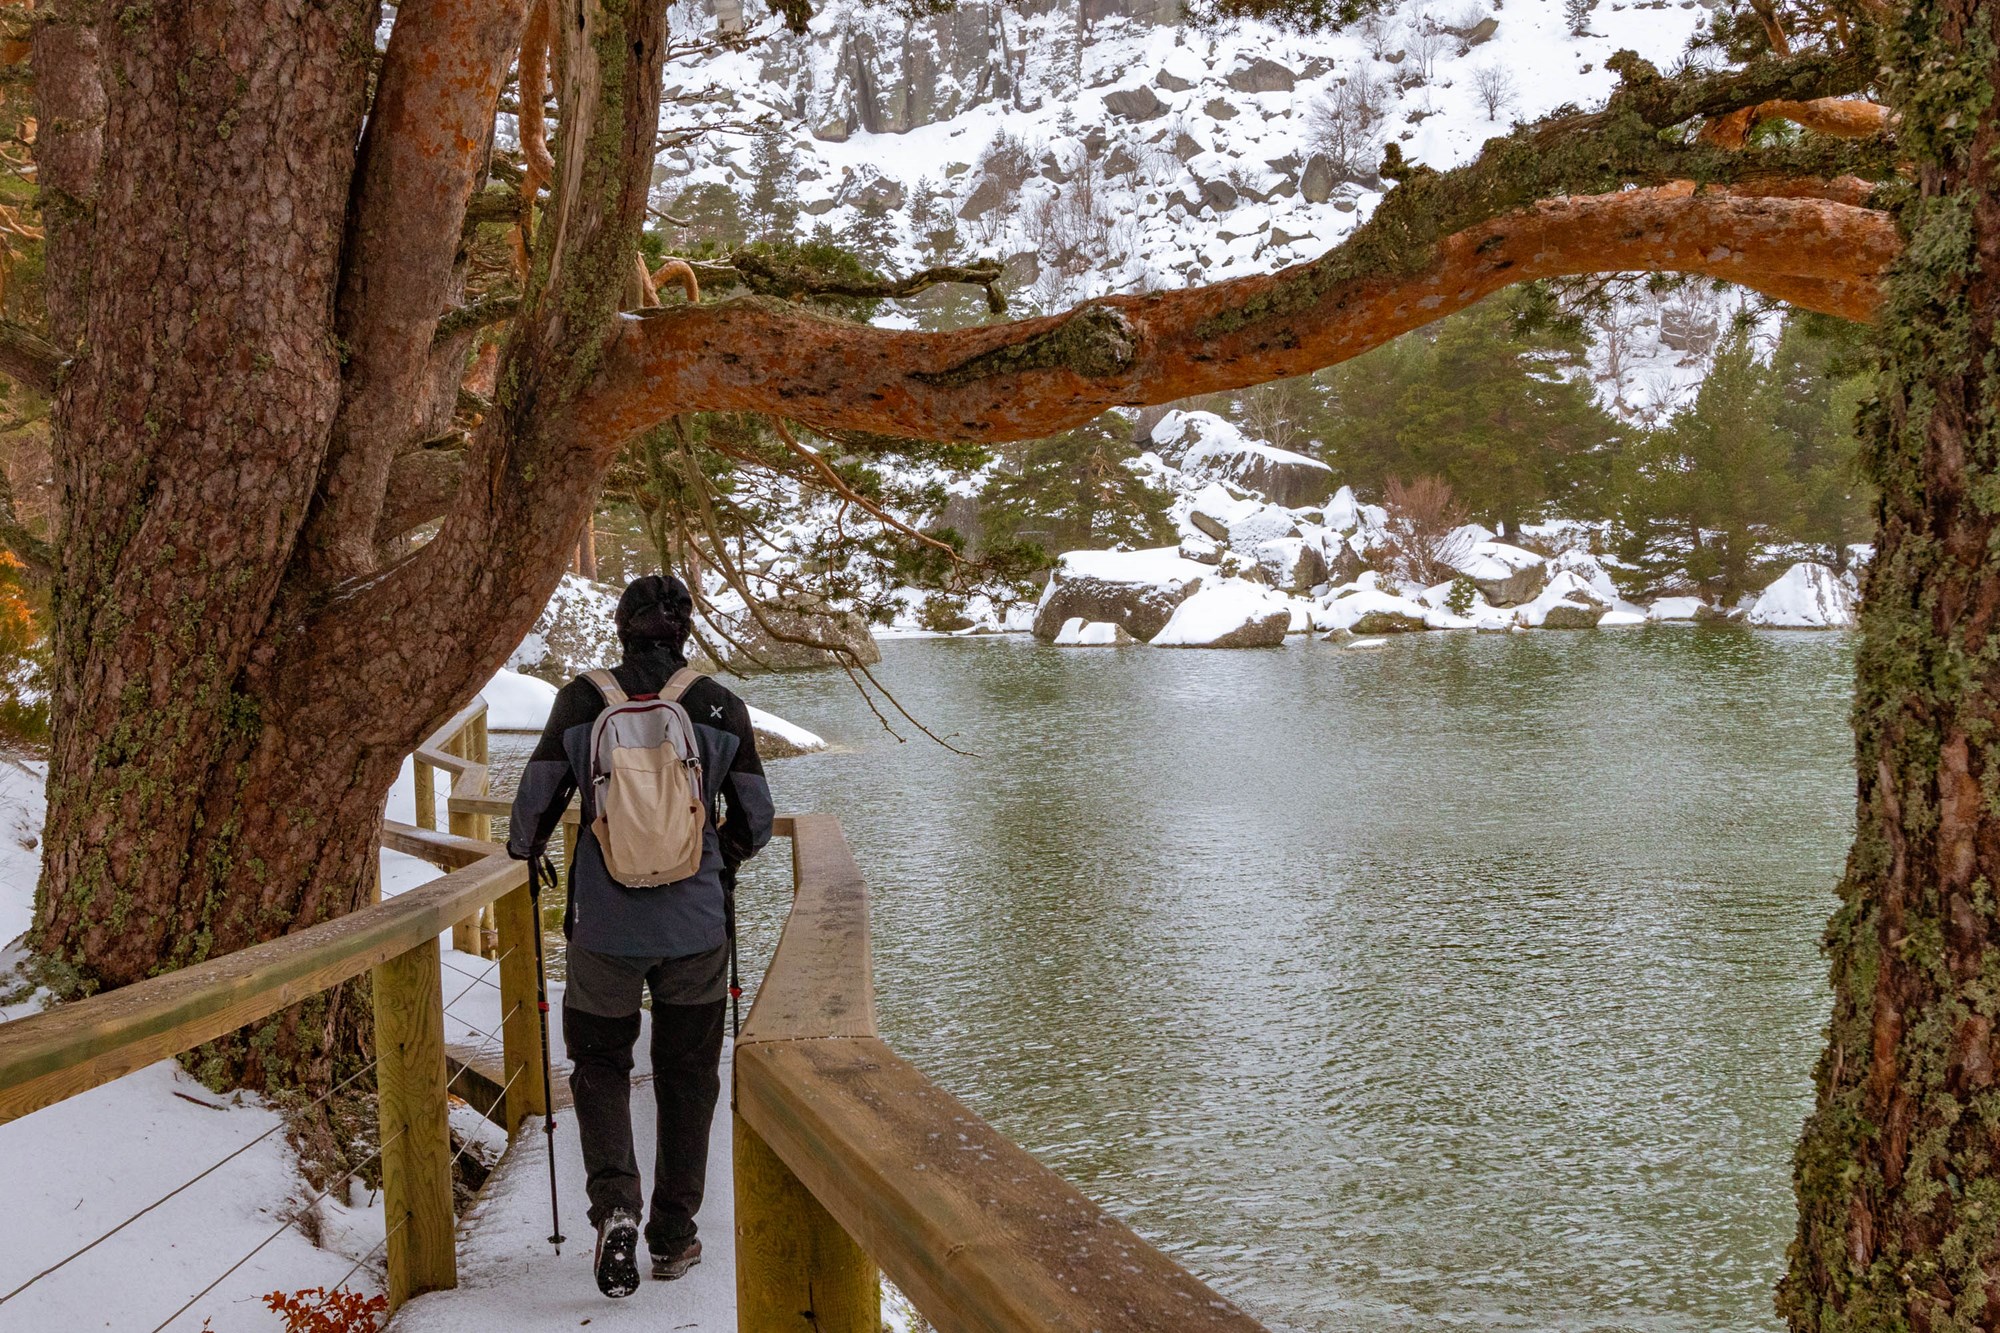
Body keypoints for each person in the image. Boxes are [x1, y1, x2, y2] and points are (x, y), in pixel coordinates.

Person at [507, 573, 772, 1299]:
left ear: (622, 626)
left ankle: (616, 1204)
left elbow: (530, 814)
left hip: (605, 928)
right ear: (683, 630)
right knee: (689, 1075)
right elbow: (757, 817)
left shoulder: (584, 700)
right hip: (696, 928)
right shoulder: (719, 704)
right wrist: (717, 856)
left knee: (599, 1063)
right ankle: (674, 1234)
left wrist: (532, 851)